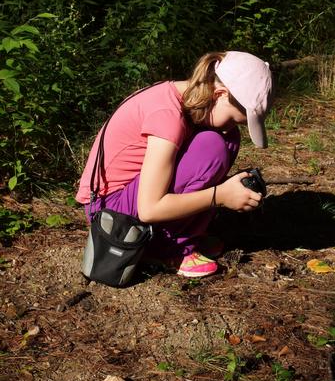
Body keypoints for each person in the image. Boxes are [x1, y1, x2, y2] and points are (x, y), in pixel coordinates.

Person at [76, 50, 274, 278]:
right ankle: (164, 249)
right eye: (232, 118)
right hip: (109, 212)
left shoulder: (184, 96)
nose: (231, 125)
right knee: (211, 145)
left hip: (131, 197)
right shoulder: (168, 117)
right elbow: (149, 209)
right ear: (219, 93)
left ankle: (188, 235)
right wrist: (219, 195)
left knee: (227, 140)